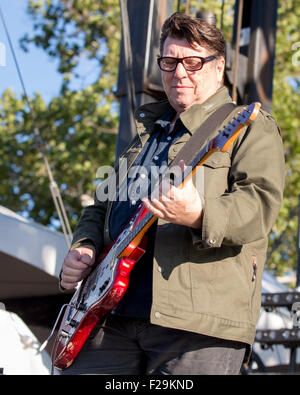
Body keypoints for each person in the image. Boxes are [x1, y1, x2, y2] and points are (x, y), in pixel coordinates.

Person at [58, 12, 285, 375]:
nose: (180, 72)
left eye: (193, 62)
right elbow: (101, 205)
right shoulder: (147, 133)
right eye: (170, 61)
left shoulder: (247, 127)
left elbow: (259, 207)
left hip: (195, 326)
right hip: (108, 317)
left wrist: (198, 214)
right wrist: (83, 246)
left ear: (219, 66)